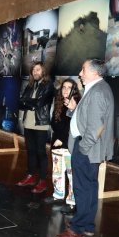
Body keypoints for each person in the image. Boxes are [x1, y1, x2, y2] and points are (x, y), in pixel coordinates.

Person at [56, 59, 114, 237]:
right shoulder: (98, 88)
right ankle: (87, 225)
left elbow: (97, 127)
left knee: (82, 188)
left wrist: (83, 147)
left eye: (83, 70)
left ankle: (77, 229)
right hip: (88, 148)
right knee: (89, 187)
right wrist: (74, 110)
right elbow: (89, 118)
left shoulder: (97, 92)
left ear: (94, 73)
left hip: (87, 149)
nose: (80, 74)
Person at [44, 78, 81, 215]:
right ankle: (58, 195)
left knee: (72, 175)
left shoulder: (76, 104)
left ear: (74, 90)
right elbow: (54, 123)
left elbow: (74, 126)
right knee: (57, 172)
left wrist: (62, 139)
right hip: (57, 144)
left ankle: (72, 202)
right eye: (63, 87)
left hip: (69, 145)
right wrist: (57, 138)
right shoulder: (58, 102)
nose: (65, 90)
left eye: (69, 87)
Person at [17, 61, 55, 193]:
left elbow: (39, 103)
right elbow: (21, 102)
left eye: (38, 70)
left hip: (41, 124)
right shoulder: (30, 85)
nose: (35, 72)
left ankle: (43, 181)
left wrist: (29, 102)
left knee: (41, 153)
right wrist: (30, 103)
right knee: (30, 151)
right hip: (28, 123)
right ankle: (31, 176)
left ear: (43, 71)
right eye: (33, 70)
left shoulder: (49, 86)